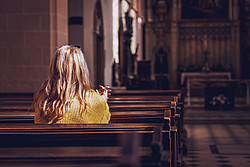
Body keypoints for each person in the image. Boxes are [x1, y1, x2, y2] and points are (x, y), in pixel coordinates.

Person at [33, 45, 111, 124]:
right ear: (81, 70)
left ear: (55, 69)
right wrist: (102, 101)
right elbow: (102, 124)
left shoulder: (43, 99)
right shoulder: (96, 101)